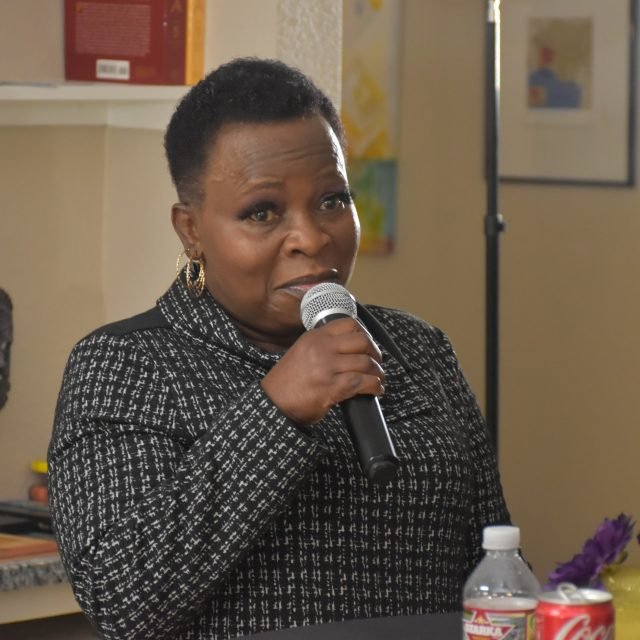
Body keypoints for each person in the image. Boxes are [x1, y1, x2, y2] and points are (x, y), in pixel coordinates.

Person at [48, 57, 510, 640]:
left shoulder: (418, 349)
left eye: (332, 200)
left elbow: (497, 568)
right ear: (191, 230)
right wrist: (276, 411)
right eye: (262, 212)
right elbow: (122, 600)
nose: (312, 238)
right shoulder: (124, 367)